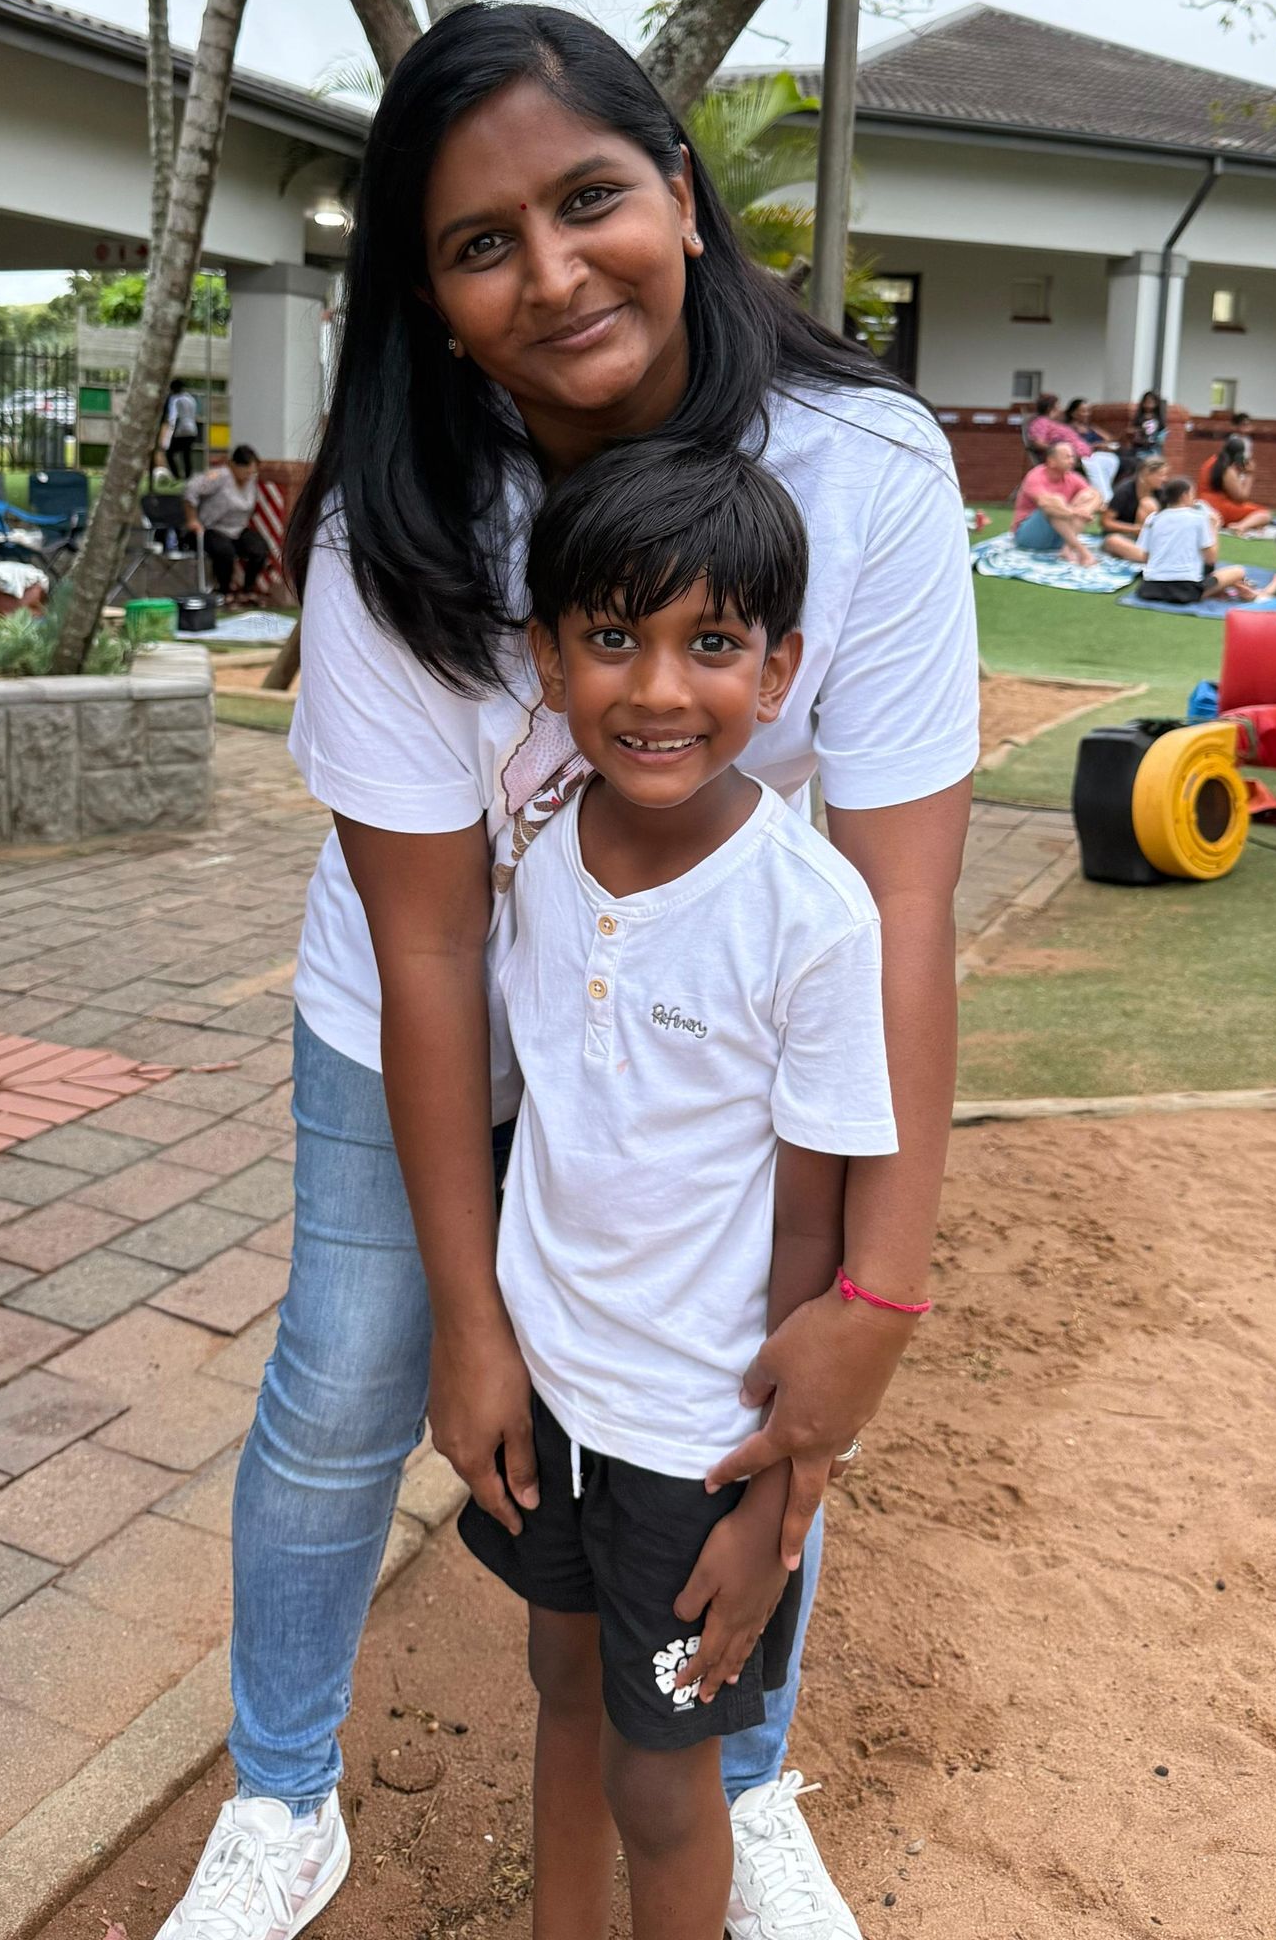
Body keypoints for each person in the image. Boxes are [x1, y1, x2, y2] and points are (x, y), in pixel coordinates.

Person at [155, 3, 978, 1940]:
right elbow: (432, 934)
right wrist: (473, 1312)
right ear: (430, 300)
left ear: (681, 196)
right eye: (480, 242)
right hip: (431, 1005)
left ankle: (737, 1778)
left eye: (589, 198)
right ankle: (282, 1796)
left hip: (710, 1022)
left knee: (752, 1383)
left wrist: (879, 1288)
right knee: (352, 1378)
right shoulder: (396, 526)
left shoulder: (861, 467)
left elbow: (903, 905)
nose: (551, 271)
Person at [462, 441, 903, 1940]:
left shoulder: (812, 918)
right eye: (613, 636)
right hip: (555, 1395)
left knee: (666, 1787)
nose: (658, 688)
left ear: (777, 672)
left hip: (696, 1448)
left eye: (710, 643)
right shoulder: (539, 856)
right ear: (548, 658)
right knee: (560, 1683)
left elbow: (813, 1227)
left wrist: (776, 1501)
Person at [1131, 475, 1263, 604]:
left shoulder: (1153, 518)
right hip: (1185, 591)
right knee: (1238, 571)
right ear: (1184, 495)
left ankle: (1228, 588)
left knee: (1208, 575)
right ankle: (1232, 587)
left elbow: (1145, 557)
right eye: (1192, 495)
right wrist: (1214, 528)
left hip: (1149, 588)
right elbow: (1211, 559)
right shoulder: (1198, 518)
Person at [183, 444, 270, 602]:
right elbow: (191, 489)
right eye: (246, 471)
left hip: (238, 529)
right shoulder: (220, 476)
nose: (249, 476)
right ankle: (224, 591)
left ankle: (248, 589)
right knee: (225, 552)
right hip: (212, 527)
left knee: (259, 550)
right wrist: (192, 519)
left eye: (252, 472)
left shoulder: (251, 481)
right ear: (235, 465)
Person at [1012, 437, 1103, 565]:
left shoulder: (1072, 477)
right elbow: (1045, 503)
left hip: (1060, 536)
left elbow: (1096, 496)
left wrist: (1086, 510)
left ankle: (1067, 549)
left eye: (1072, 457)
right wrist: (1076, 512)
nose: (1072, 461)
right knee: (1055, 502)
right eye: (1067, 457)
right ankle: (1083, 552)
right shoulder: (1035, 476)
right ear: (1051, 461)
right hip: (1029, 536)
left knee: (1088, 495)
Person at [1198, 437, 1276, 536]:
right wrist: (1249, 474)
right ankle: (1241, 526)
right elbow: (1241, 498)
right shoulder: (1227, 469)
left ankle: (1242, 524)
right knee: (1265, 514)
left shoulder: (1210, 461)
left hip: (1204, 505)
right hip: (1219, 509)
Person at [1062, 397, 1121, 499]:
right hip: (1085, 457)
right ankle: (1105, 497)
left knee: (1113, 459)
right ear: (1073, 413)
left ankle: (1105, 493)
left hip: (1099, 455)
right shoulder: (1068, 430)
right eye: (1083, 411)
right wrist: (1094, 446)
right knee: (1094, 463)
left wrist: (1103, 445)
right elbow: (1073, 446)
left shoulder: (1090, 427)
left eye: (1088, 411)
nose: (1087, 414)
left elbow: (1110, 439)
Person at [162, 384, 203, 480]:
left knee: (169, 453)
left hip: (180, 430)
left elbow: (174, 417)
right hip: (192, 430)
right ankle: (188, 477)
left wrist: (170, 435)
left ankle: (177, 476)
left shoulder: (175, 399)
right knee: (186, 454)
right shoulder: (190, 398)